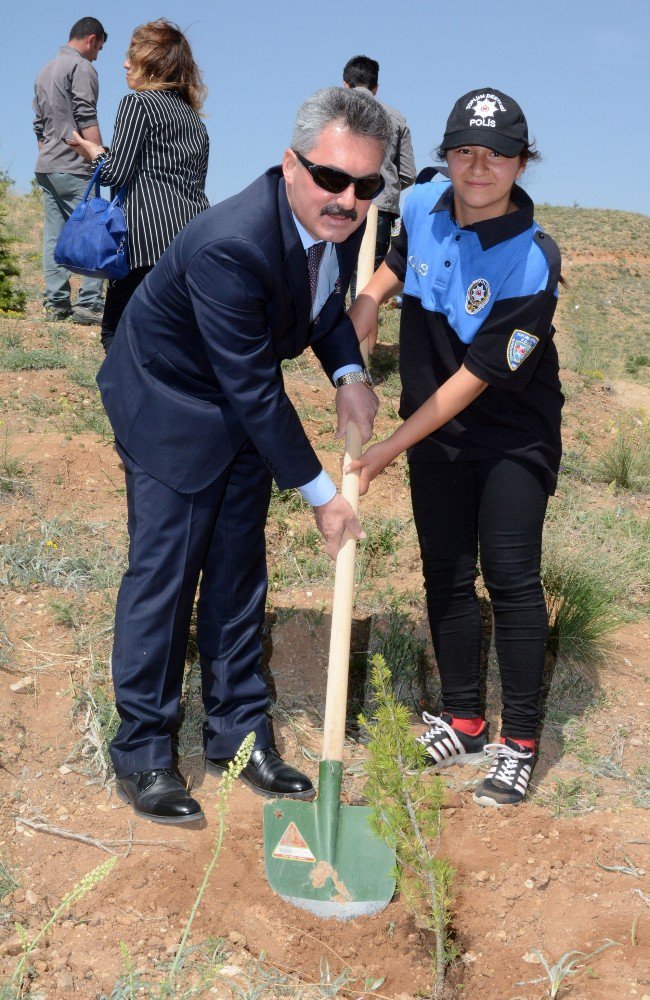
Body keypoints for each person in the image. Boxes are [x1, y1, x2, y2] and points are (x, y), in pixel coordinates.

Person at [96, 87, 391, 824]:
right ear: (290, 164)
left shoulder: (340, 223)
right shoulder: (232, 241)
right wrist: (326, 497)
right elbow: (257, 391)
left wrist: (350, 373)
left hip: (236, 407)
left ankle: (238, 736)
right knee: (166, 574)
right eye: (331, 177)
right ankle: (143, 752)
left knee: (237, 570)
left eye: (366, 185)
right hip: (169, 402)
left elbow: (321, 308)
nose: (347, 199)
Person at [348, 88, 563, 808]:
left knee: (508, 575)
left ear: (520, 165)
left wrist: (385, 450)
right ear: (445, 157)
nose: (479, 167)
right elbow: (403, 263)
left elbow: (475, 379)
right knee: (445, 570)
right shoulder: (420, 204)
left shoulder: (533, 260)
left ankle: (520, 742)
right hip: (432, 428)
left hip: (508, 433)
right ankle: (467, 720)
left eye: (498, 154)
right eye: (465, 151)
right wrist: (371, 300)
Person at [67, 19, 210, 353]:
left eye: (132, 55)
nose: (125, 63)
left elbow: (114, 174)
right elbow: (192, 182)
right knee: (171, 338)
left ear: (153, 64)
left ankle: (129, 402)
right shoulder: (193, 119)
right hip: (191, 241)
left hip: (144, 241)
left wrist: (95, 154)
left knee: (115, 333)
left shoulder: (137, 104)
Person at [33, 16, 107, 324]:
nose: (97, 54)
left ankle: (57, 304)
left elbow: (38, 126)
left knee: (54, 236)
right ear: (92, 39)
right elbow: (85, 113)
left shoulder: (45, 70)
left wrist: (51, 156)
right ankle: (89, 304)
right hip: (74, 165)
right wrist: (99, 155)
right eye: (99, 48)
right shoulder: (82, 67)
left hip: (47, 166)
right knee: (94, 231)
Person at [343, 55, 416, 275]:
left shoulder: (331, 111)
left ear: (346, 84)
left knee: (334, 272)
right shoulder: (396, 118)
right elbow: (409, 173)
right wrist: (385, 187)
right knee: (370, 275)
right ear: (376, 87)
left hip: (337, 202)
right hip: (381, 207)